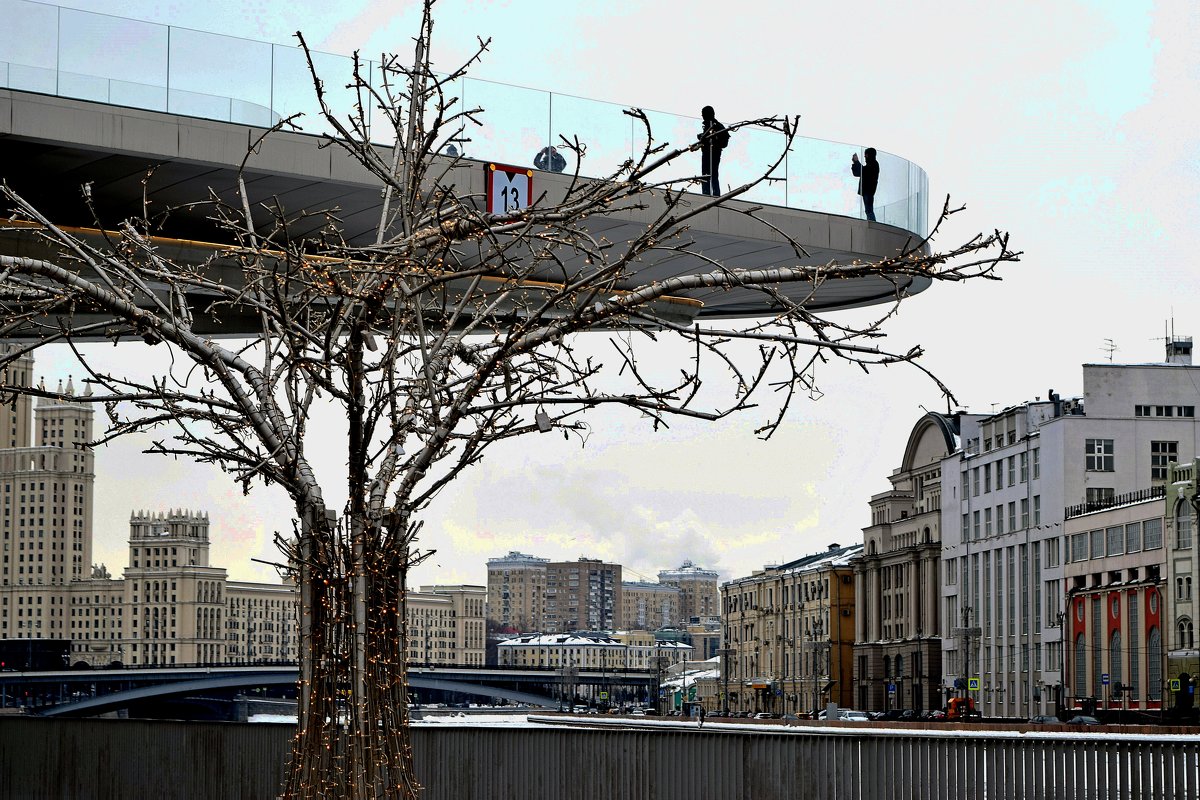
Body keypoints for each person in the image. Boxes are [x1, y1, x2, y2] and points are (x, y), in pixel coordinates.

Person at [697, 106, 729, 196]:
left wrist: (705, 138)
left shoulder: (713, 125)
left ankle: (709, 193)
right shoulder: (713, 125)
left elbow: (724, 141)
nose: (702, 116)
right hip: (711, 152)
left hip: (711, 153)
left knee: (709, 174)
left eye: (703, 114)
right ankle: (711, 193)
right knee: (711, 174)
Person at [850, 148, 880, 221]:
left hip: (868, 190)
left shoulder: (873, 164)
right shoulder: (873, 164)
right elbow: (858, 173)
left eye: (866, 155)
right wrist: (855, 162)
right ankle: (871, 223)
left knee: (869, 210)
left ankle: (872, 224)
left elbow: (863, 171)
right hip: (867, 191)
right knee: (868, 210)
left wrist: (856, 162)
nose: (865, 157)